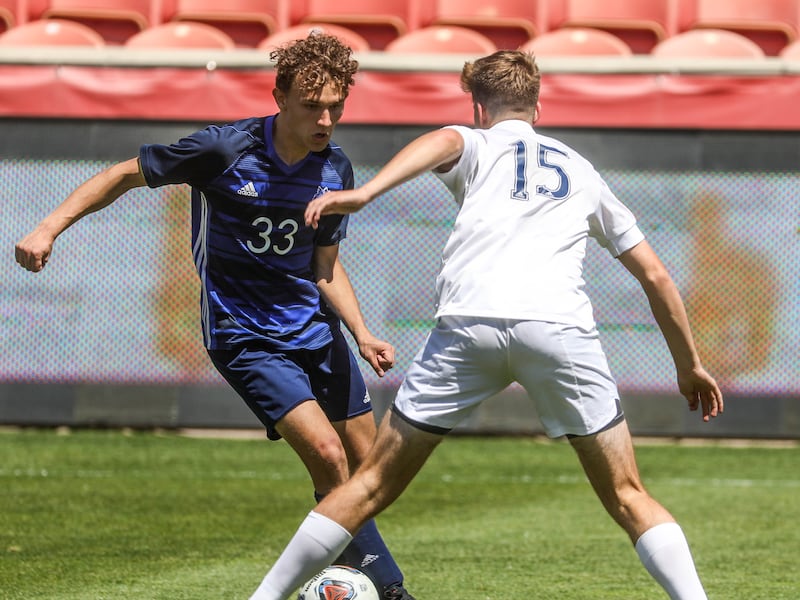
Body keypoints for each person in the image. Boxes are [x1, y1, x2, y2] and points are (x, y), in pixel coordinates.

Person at [246, 50, 724, 600]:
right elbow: (658, 277)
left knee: (370, 483)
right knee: (627, 493)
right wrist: (688, 365)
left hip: (468, 326)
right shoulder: (582, 171)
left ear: (477, 108)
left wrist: (364, 193)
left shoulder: (473, 141)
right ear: (538, 108)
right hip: (558, 329)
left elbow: (444, 142)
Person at [14, 33, 415, 600]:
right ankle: (389, 589)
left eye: (337, 105)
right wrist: (48, 226)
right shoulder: (224, 149)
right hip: (244, 333)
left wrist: (363, 331)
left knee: (369, 466)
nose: (326, 118)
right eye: (311, 104)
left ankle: (350, 576)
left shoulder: (336, 168)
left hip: (314, 329)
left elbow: (324, 266)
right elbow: (124, 174)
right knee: (328, 457)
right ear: (278, 96)